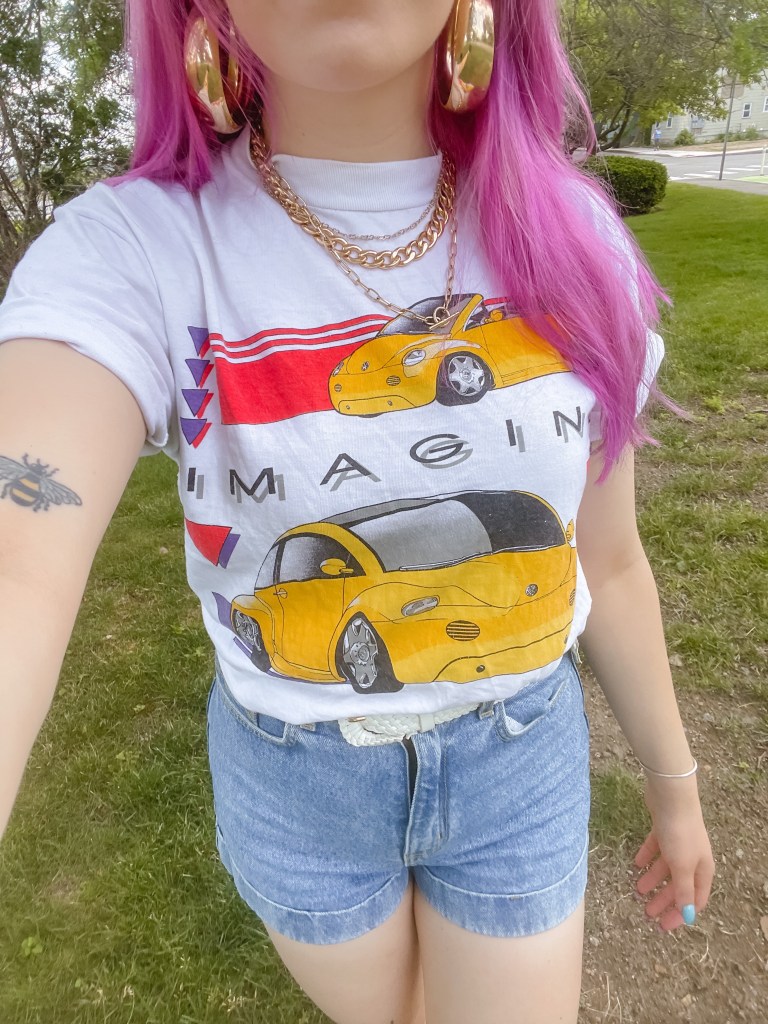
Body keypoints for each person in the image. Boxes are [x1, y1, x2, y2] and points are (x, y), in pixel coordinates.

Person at [0, 2, 714, 1022]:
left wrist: (675, 785)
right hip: (297, 787)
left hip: (519, 757)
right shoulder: (136, 250)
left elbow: (608, 559)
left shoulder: (572, 241)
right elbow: (17, 557)